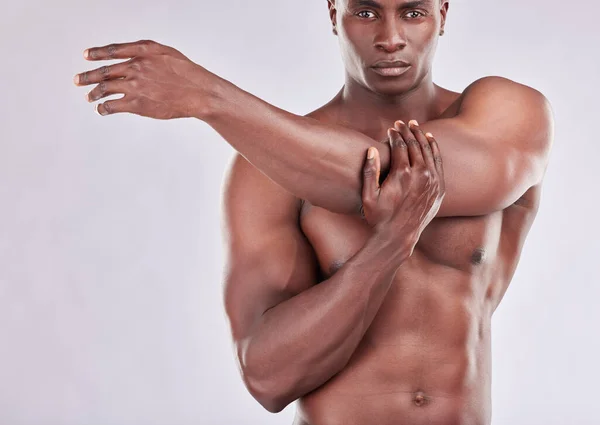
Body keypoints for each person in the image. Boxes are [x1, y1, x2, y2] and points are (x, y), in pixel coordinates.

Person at [73, 0, 554, 423]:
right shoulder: (266, 167)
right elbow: (267, 378)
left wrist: (211, 98)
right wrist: (386, 248)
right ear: (334, 15)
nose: (390, 39)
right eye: (365, 11)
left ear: (441, 15)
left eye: (413, 11)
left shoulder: (510, 115)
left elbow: (397, 173)